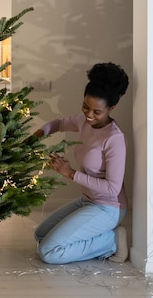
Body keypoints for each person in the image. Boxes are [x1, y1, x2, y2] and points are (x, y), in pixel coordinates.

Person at [32, 62, 129, 264]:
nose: (89, 115)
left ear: (111, 108)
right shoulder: (84, 121)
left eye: (97, 112)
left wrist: (70, 173)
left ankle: (112, 241)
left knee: (49, 252)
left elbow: (112, 189)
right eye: (86, 106)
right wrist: (37, 135)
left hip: (108, 207)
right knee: (41, 235)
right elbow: (58, 123)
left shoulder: (114, 138)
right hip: (88, 200)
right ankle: (102, 239)